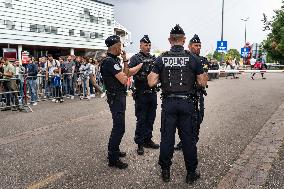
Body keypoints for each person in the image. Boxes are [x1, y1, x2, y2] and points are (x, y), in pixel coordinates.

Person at [148, 25, 208, 183]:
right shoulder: (193, 58)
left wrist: (162, 75)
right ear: (184, 40)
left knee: (167, 138)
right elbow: (202, 82)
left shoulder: (162, 58)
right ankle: (190, 173)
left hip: (169, 103)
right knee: (188, 139)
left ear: (170, 40)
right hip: (187, 103)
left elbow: (151, 82)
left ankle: (166, 171)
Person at [174, 34, 208, 150]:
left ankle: (193, 141)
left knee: (197, 119)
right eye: (196, 45)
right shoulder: (183, 58)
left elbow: (203, 80)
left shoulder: (203, 60)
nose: (198, 47)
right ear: (189, 46)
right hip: (184, 95)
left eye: (199, 45)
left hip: (197, 95)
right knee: (181, 120)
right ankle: (183, 141)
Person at [101, 35, 129, 169]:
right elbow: (124, 79)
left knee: (119, 126)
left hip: (118, 96)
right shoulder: (109, 62)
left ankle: (115, 151)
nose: (122, 48)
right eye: (121, 46)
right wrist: (125, 69)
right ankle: (113, 158)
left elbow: (125, 74)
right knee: (119, 127)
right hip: (116, 98)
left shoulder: (113, 60)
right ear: (116, 46)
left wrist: (125, 61)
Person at [128, 35, 159, 155]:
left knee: (151, 118)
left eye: (149, 45)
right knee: (141, 119)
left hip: (152, 93)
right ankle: (140, 143)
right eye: (146, 45)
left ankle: (148, 139)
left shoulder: (153, 58)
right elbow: (129, 72)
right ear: (140, 45)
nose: (148, 47)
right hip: (141, 93)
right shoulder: (136, 58)